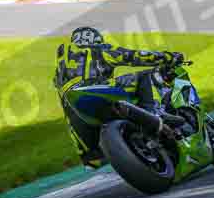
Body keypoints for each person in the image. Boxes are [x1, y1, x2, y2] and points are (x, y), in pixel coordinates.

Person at [54, 26, 184, 167]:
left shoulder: (59, 71)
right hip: (96, 88)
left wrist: (82, 150)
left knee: (92, 157)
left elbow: (67, 114)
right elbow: (134, 56)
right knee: (143, 76)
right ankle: (153, 113)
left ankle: (94, 153)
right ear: (95, 39)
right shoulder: (98, 50)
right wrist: (169, 57)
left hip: (74, 110)